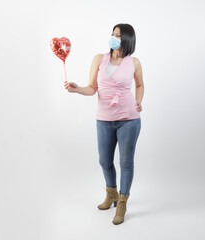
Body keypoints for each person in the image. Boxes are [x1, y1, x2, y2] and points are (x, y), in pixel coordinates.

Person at [64, 23, 144, 225]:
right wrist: (77, 89)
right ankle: (112, 194)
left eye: (118, 35)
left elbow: (140, 85)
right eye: (112, 33)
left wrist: (139, 101)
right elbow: (92, 88)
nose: (114, 37)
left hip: (129, 118)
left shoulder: (133, 62)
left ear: (127, 39)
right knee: (104, 160)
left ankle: (123, 202)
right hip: (104, 118)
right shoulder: (100, 59)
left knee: (126, 162)